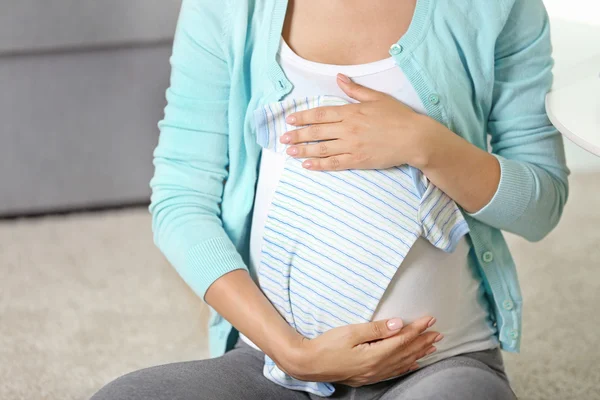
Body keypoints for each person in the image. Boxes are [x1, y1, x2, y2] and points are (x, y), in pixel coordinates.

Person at [91, 0, 569, 399]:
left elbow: (541, 207)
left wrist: (428, 145)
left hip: (439, 366)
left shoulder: (494, 6)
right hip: (271, 368)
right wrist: (293, 352)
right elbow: (181, 201)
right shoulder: (229, 8)